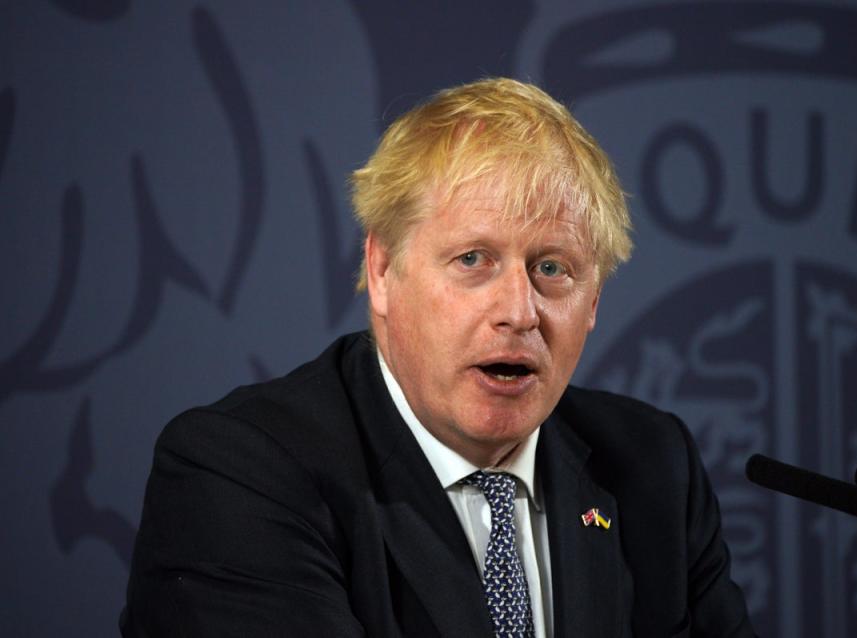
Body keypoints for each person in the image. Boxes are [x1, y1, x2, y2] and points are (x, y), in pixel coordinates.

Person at [121, 78, 755, 637]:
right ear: (383, 270)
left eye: (552, 268)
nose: (519, 310)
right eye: (473, 260)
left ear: (594, 302)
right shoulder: (239, 473)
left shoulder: (651, 466)